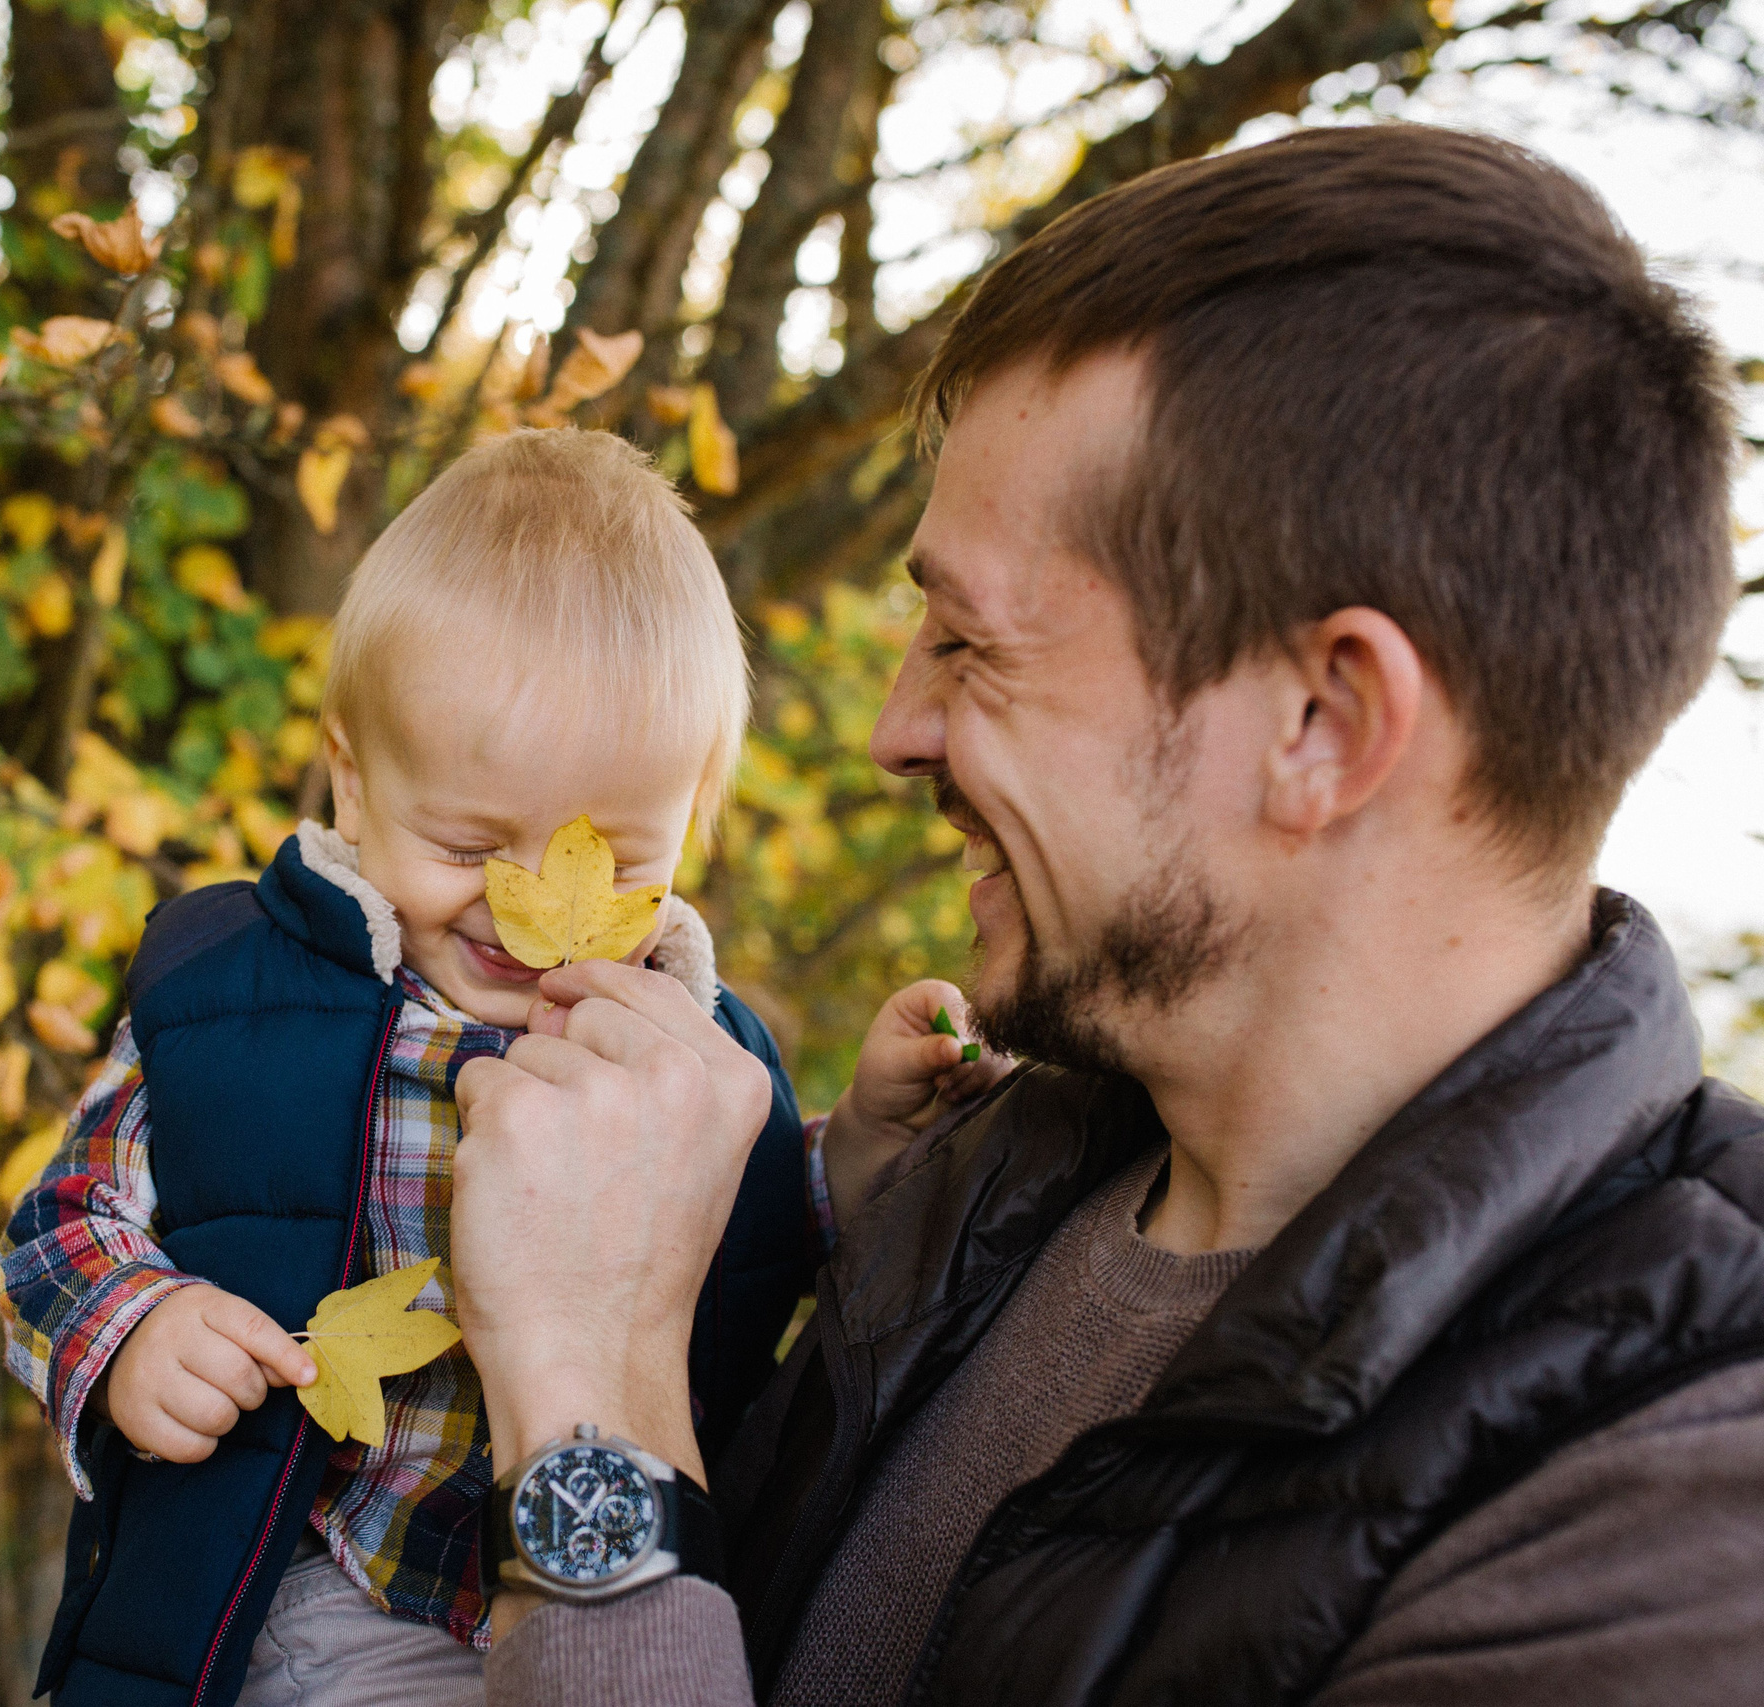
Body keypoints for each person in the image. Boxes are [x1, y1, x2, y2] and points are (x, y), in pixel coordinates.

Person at [450, 123, 1764, 1706]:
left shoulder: (1670, 1490)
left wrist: (591, 1396)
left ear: (1322, 723)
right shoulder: (974, 1175)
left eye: (970, 643)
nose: (893, 729)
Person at [0, 429, 1005, 1707]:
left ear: (689, 827)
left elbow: (755, 1247)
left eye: (613, 861)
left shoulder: (696, 1057)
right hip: (291, 1602)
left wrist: (852, 1147)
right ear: (353, 783)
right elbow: (52, 1233)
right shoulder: (233, 1000)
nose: (528, 910)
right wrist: (136, 1326)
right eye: (469, 844)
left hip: (583, 1600)